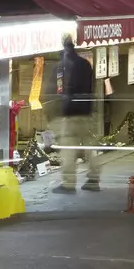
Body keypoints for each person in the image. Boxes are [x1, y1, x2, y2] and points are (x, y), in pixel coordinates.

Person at [54, 34, 103, 191]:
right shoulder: (85, 64)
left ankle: (69, 183)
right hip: (86, 112)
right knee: (91, 147)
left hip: (70, 114)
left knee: (68, 149)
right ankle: (94, 178)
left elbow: (61, 90)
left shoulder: (63, 65)